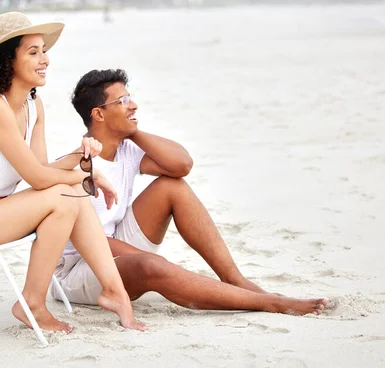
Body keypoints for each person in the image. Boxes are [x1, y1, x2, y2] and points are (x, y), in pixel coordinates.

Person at [0, 14, 146, 333]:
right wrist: (88, 178)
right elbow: (41, 181)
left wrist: (78, 159)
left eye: (44, 51)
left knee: (71, 197)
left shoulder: (33, 103)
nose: (45, 59)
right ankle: (33, 303)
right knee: (66, 197)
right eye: (33, 52)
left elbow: (39, 171)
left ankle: (116, 293)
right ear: (7, 61)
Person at [51, 69, 328, 316]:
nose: (133, 105)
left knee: (172, 187)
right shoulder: (82, 164)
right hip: (78, 267)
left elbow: (181, 165)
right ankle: (269, 303)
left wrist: (131, 131)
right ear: (98, 114)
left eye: (130, 98)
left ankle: (234, 279)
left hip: (115, 241)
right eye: (122, 101)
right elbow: (88, 240)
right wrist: (147, 260)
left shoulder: (125, 150)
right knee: (153, 267)